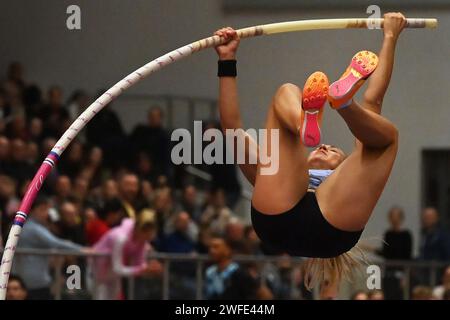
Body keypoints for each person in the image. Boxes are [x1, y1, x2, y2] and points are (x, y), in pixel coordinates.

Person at [214, 12, 406, 289]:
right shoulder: (286, 178)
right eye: (328, 147)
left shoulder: (332, 180)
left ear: (345, 169)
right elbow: (374, 99)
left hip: (280, 221)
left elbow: (232, 128)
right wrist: (390, 36)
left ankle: (337, 107)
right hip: (331, 229)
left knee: (376, 135)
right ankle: (324, 112)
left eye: (333, 151)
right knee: (380, 139)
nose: (326, 145)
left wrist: (226, 60)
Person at [12, 196, 84, 299]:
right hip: (33, 281)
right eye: (42, 209)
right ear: (31, 211)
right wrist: (81, 249)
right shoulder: (32, 228)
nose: (46, 213)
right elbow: (56, 243)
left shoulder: (39, 227)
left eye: (47, 210)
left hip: (36, 278)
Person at [92, 209, 162, 300]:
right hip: (98, 270)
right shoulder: (120, 238)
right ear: (139, 229)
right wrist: (142, 270)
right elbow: (118, 268)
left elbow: (140, 264)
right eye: (147, 235)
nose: (148, 240)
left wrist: (149, 269)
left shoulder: (142, 240)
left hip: (113, 274)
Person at [204, 235, 259, 300]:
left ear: (228, 250)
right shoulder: (210, 272)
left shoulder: (241, 274)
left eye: (216, 247)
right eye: (210, 247)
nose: (211, 251)